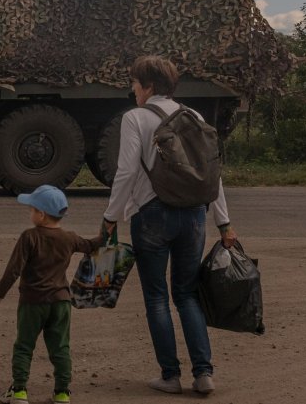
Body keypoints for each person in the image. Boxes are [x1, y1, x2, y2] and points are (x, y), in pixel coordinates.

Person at [100, 55, 238, 395]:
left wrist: (111, 216)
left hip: (152, 216)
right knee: (187, 294)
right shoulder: (193, 116)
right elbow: (210, 175)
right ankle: (204, 373)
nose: (132, 90)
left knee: (157, 297)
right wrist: (224, 222)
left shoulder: (135, 118)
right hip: (193, 216)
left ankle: (170, 376)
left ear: (148, 86)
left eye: (134, 83)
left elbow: (127, 171)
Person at [0, 185, 104, 404]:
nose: (30, 213)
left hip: (33, 302)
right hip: (61, 302)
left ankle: (19, 391)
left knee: (24, 345)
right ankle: (62, 392)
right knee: (60, 346)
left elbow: (14, 269)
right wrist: (106, 231)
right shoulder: (69, 238)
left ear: (41, 215)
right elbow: (91, 246)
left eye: (31, 209)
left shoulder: (29, 237)